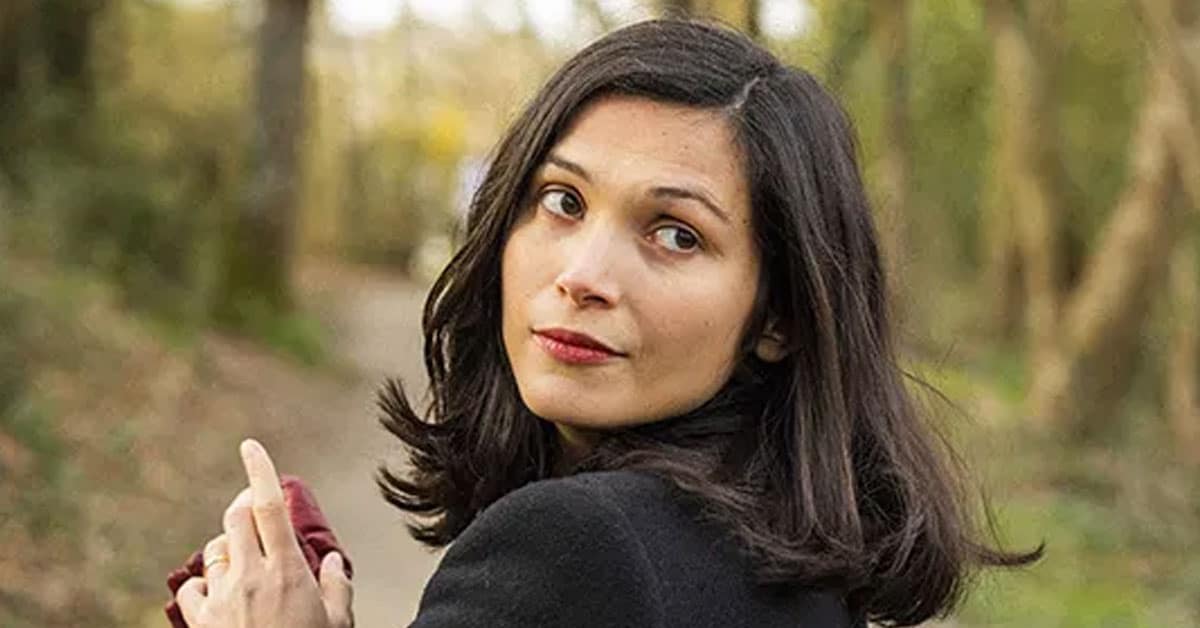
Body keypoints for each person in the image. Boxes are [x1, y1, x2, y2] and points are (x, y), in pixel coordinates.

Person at [173, 18, 1040, 628]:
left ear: (778, 317)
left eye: (676, 234)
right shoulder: (799, 563)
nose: (583, 276)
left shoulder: (570, 553)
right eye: (562, 200)